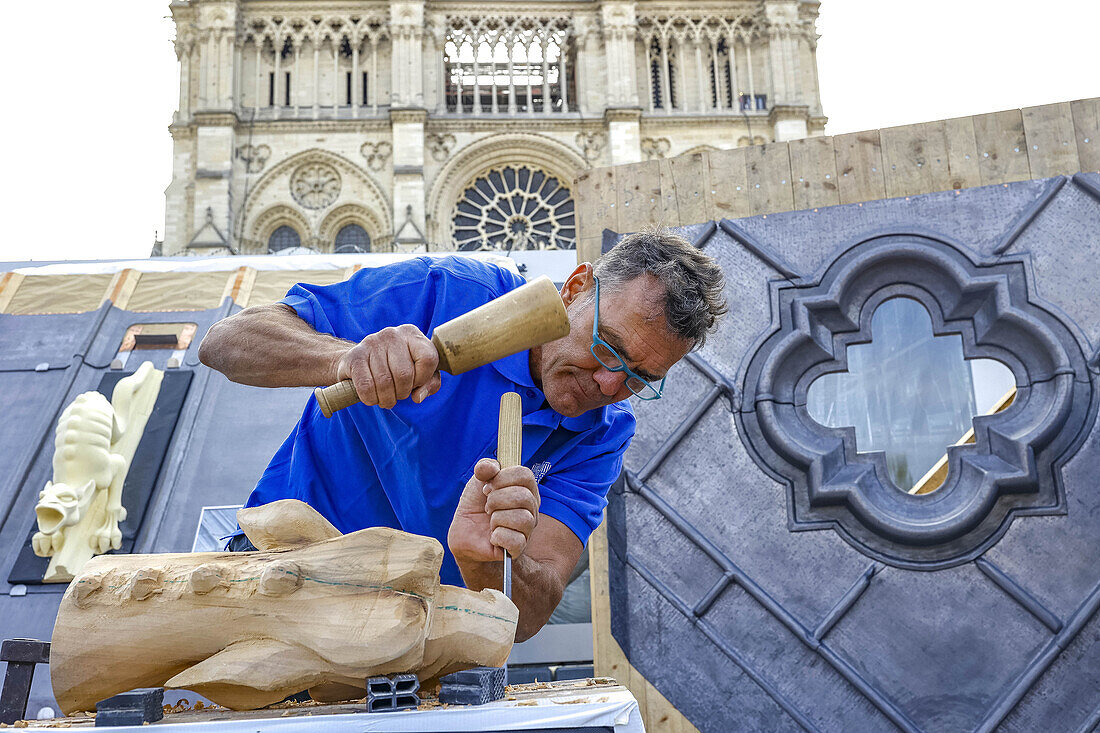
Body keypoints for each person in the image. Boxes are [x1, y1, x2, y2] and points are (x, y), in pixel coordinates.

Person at [198, 228, 726, 640]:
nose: (610, 383)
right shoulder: (451, 293)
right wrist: (347, 359)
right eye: (608, 347)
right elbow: (225, 344)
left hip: (413, 628)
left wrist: (490, 561)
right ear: (576, 288)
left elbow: (528, 616)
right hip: (277, 573)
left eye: (641, 377)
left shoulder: (601, 436)